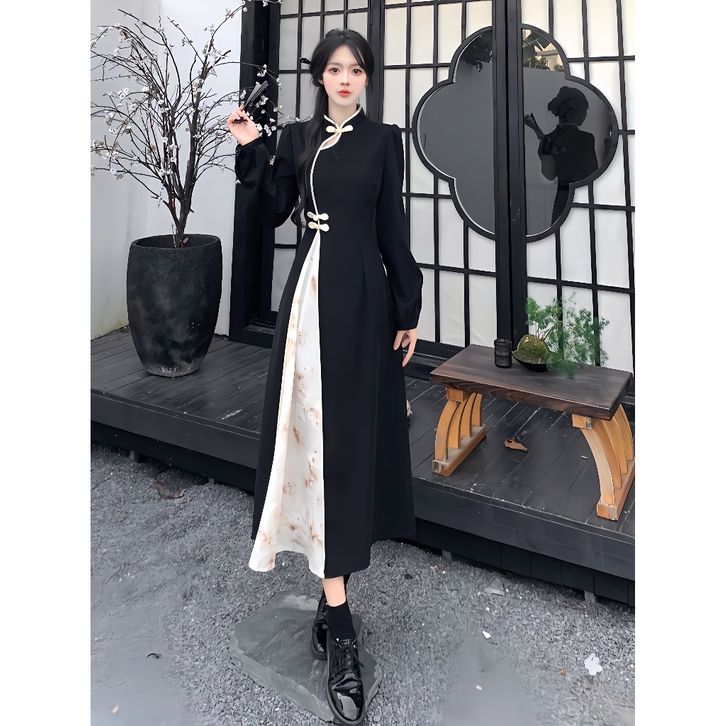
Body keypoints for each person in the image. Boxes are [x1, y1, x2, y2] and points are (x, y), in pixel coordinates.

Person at [226, 28, 423, 725]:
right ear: (318, 77)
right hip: (309, 302)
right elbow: (273, 210)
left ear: (367, 78)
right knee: (311, 440)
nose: (345, 78)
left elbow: (393, 227)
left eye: (356, 69)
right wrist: (253, 146)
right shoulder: (298, 139)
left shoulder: (383, 142)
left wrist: (407, 306)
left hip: (361, 302)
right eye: (334, 68)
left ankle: (334, 607)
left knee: (343, 443)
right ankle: (337, 616)